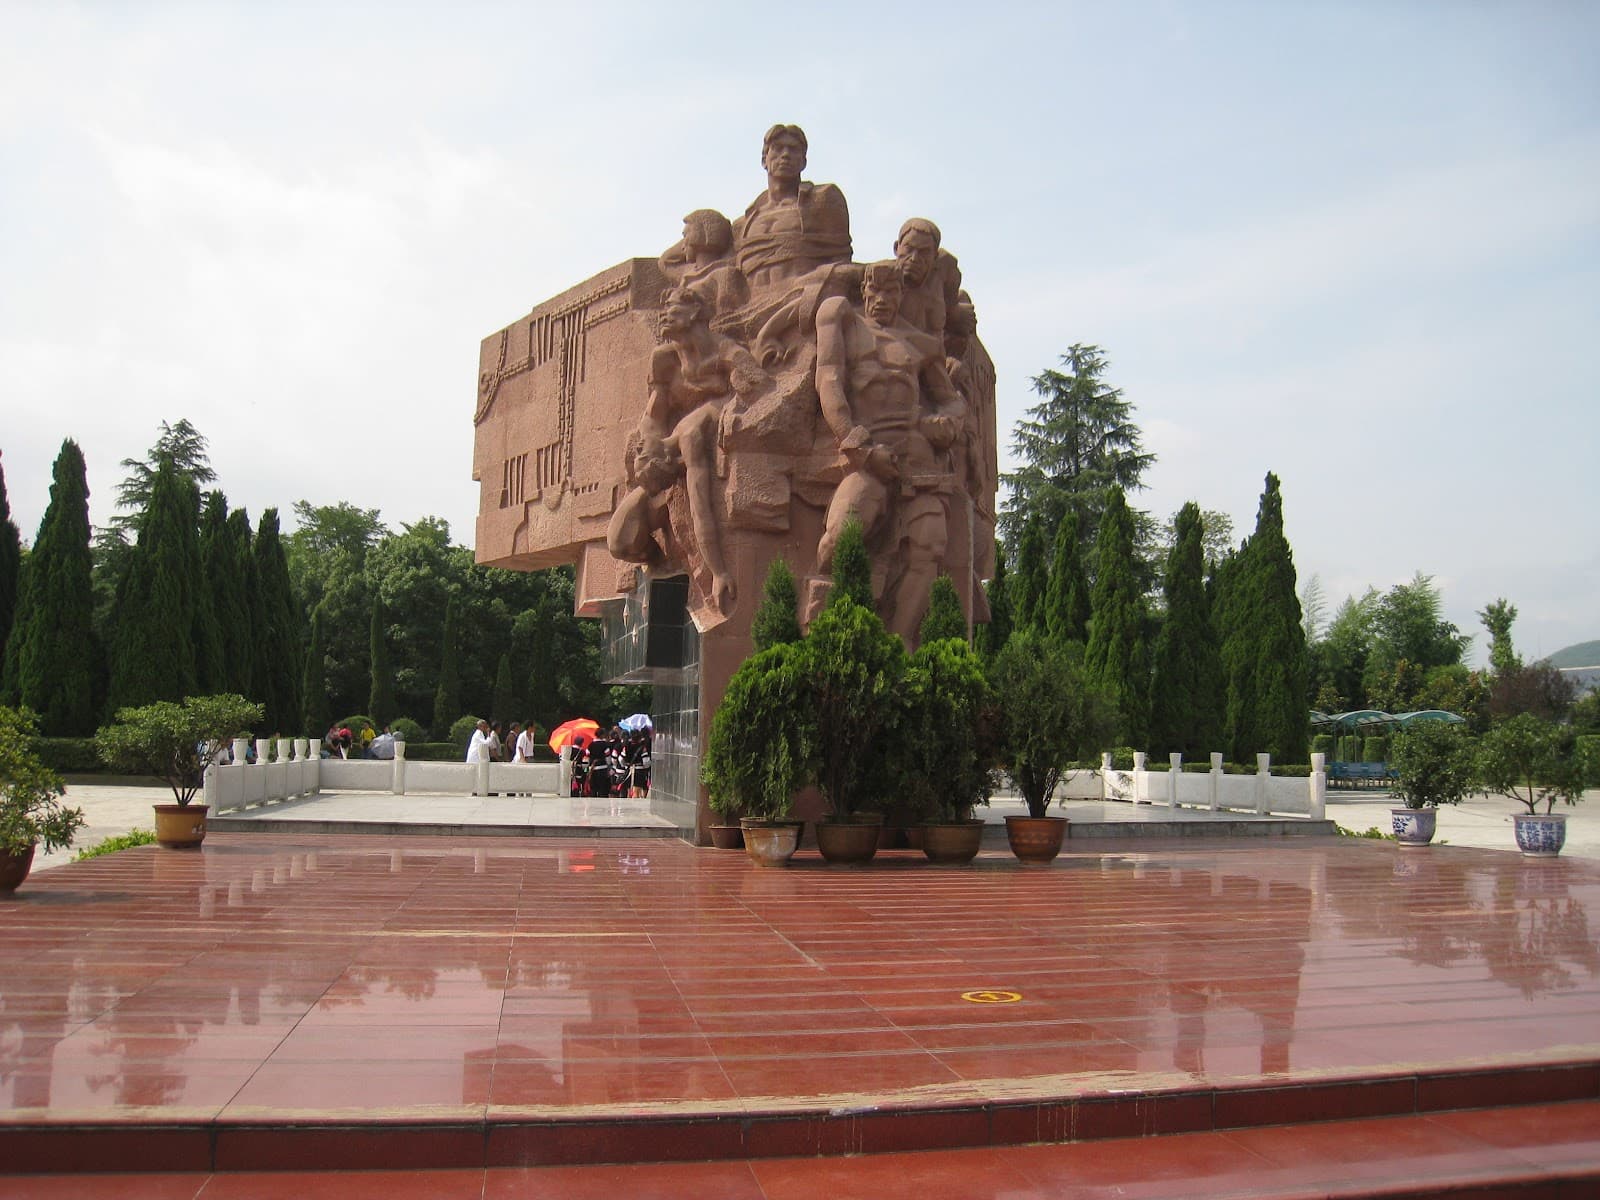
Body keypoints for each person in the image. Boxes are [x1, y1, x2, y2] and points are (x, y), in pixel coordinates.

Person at [814, 259, 965, 641]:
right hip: (866, 450)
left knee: (931, 545)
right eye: (874, 291)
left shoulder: (921, 344)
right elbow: (828, 380)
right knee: (839, 542)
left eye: (890, 291)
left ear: (902, 294)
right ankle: (834, 630)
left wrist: (946, 423)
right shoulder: (842, 320)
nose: (881, 299)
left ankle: (897, 646)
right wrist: (857, 446)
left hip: (916, 456)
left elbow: (951, 401)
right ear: (863, 291)